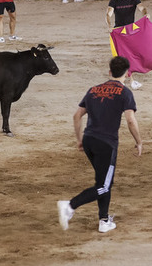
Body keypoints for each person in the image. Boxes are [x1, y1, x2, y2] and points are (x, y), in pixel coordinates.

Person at [57, 56, 143, 233]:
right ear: (127, 74)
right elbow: (131, 121)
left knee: (104, 181)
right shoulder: (125, 93)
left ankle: (104, 220)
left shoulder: (93, 90)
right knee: (104, 185)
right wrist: (139, 142)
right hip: (106, 144)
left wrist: (79, 139)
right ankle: (70, 206)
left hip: (89, 140)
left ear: (110, 72)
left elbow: (76, 116)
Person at [107, 0, 149, 90]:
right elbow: (108, 14)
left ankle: (126, 81)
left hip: (130, 32)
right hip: (119, 33)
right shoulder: (114, 1)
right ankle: (130, 81)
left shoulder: (134, 0)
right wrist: (109, 25)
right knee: (122, 57)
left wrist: (145, 14)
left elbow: (142, 8)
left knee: (130, 56)